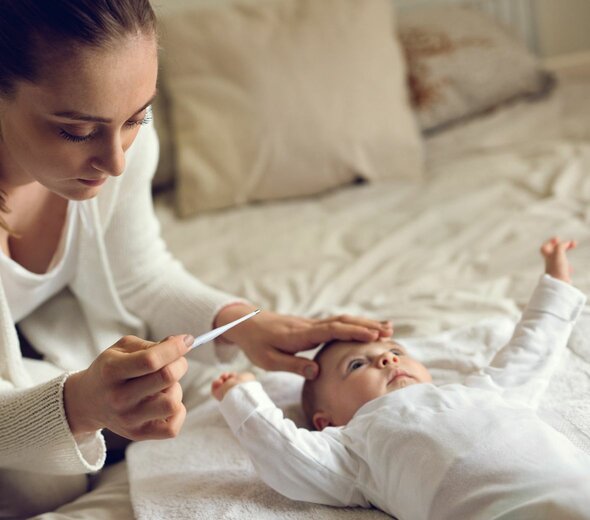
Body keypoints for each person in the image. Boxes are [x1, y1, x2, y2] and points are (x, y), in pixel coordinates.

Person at [0, 1, 394, 516]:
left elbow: (139, 274)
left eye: (136, 118)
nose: (116, 161)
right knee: (43, 487)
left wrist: (245, 325)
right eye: (76, 131)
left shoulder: (120, 147)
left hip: (45, 340)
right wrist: (81, 404)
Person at [213, 237, 590, 520]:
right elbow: (286, 456)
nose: (388, 359)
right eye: (357, 366)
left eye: (396, 352)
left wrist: (556, 285)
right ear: (325, 421)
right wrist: (242, 394)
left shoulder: (484, 391)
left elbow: (532, 351)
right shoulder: (353, 447)